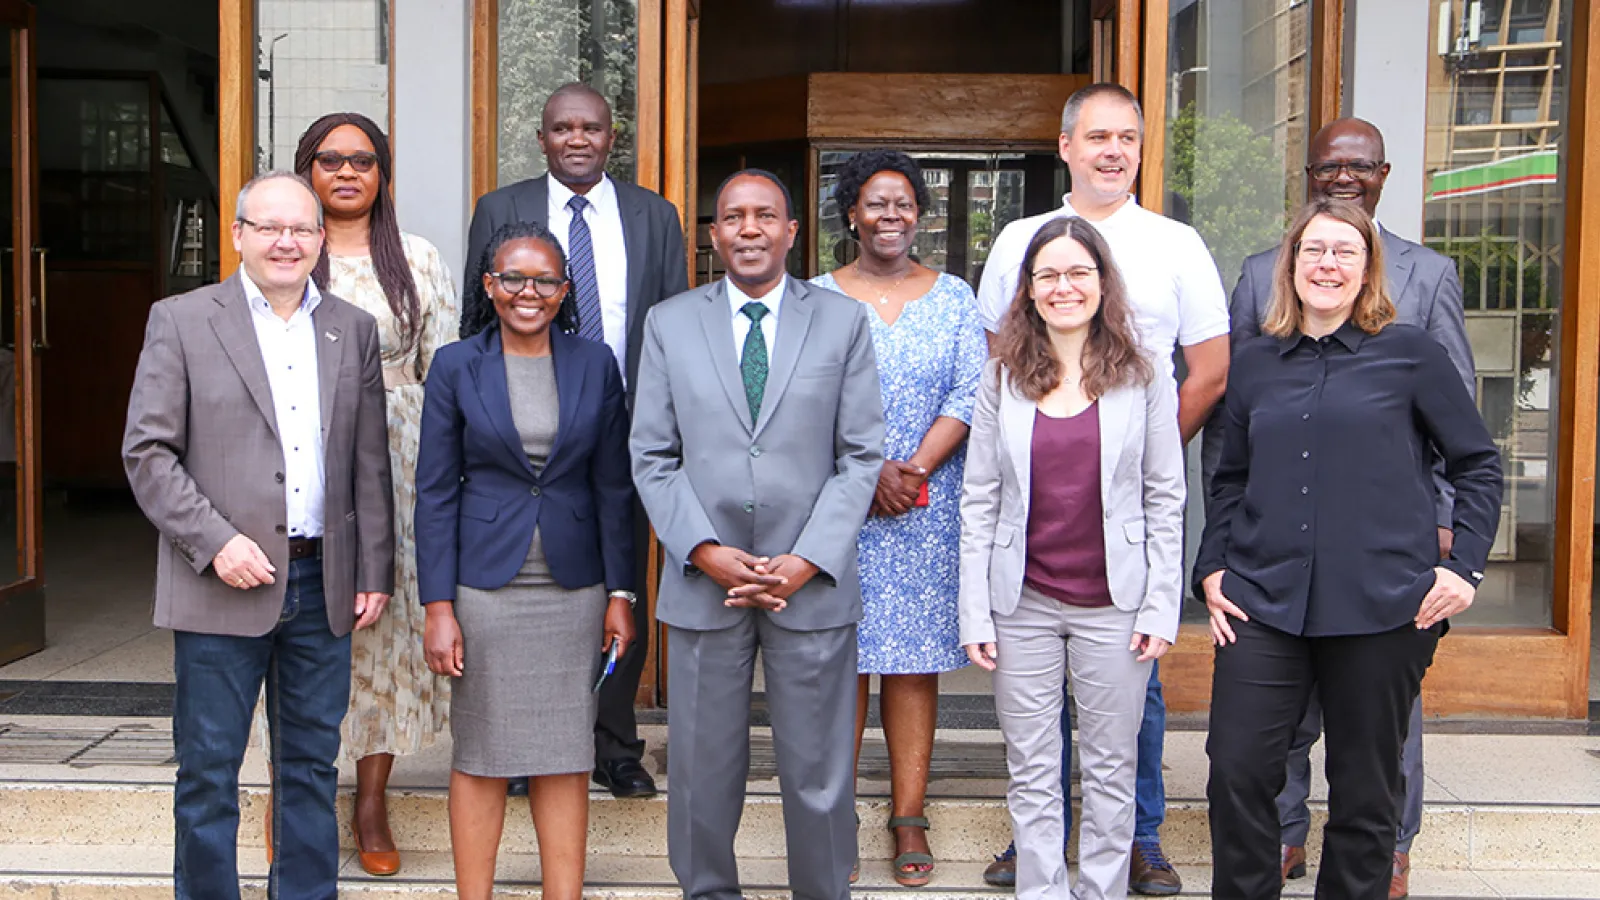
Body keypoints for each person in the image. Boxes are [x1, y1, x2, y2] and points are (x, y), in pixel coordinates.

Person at [1197, 198, 1502, 900]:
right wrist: (1212, 567)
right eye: (1313, 251)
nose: (1327, 264)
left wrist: (1465, 568)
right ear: (1291, 266)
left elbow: (1477, 463)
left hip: (1382, 607)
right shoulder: (1256, 364)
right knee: (1238, 770)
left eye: (1344, 252)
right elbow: (1232, 476)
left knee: (1365, 788)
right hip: (1263, 604)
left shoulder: (1412, 353)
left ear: (1367, 271)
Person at [974, 82, 1229, 894]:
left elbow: (1210, 373)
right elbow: (986, 469)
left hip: (1117, 573)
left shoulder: (1176, 243)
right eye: (1097, 136)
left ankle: (1129, 854)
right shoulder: (1016, 240)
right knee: (1032, 751)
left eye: (1127, 137)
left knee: (1121, 746)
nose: (1112, 150)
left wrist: (1120, 456)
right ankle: (1041, 869)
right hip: (1027, 587)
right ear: (1067, 146)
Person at [122, 171, 394, 899]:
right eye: (268, 227)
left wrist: (375, 568)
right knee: (208, 770)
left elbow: (370, 463)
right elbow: (147, 454)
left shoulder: (350, 328)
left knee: (311, 767)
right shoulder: (181, 320)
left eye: (301, 229)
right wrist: (214, 542)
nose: (286, 241)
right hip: (222, 584)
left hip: (323, 582)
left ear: (318, 242)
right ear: (237, 235)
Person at [630, 169, 884, 900]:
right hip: (705, 583)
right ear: (713, 235)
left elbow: (861, 454)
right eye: (733, 216)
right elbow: (652, 455)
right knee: (703, 773)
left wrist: (808, 558)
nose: (749, 228)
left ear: (791, 231)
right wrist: (704, 552)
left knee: (819, 773)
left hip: (809, 586)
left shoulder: (840, 322)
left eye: (765, 215)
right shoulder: (670, 323)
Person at [465, 82, 688, 798]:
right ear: (542, 138)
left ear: (610, 135)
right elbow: (479, 316)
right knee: (536, 581)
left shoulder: (655, 215)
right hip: (526, 427)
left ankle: (614, 743)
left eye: (590, 127)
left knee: (621, 578)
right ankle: (531, 744)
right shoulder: (502, 210)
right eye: (562, 127)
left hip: (626, 429)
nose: (577, 139)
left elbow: (676, 325)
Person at [959, 215, 1184, 900]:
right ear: (1028, 289)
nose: (1064, 287)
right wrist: (976, 613)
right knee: (1031, 769)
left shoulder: (1142, 374)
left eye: (1078, 272)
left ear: (1102, 282)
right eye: (1048, 275)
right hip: (1020, 603)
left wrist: (1161, 604)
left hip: (1115, 607)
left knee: (1112, 769)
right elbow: (979, 500)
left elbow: (1164, 497)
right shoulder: (1002, 376)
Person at [414, 220, 637, 900]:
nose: (528, 292)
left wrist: (622, 592)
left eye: (544, 280)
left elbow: (612, 486)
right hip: (483, 590)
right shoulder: (456, 364)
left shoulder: (594, 362)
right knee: (480, 756)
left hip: (574, 590)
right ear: (490, 284)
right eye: (513, 277)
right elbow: (432, 491)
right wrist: (438, 606)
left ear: (565, 289)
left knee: (566, 756)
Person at [284, 111, 460, 877]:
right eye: (330, 160)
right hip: (309, 458)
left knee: (385, 632)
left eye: (362, 160)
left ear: (382, 174)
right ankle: (297, 790)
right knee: (310, 624)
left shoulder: (415, 258)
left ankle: (371, 799)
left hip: (404, 459)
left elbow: (446, 373)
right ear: (307, 171)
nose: (346, 172)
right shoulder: (288, 252)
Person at [809, 150, 986, 887]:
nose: (891, 216)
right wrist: (869, 469)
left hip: (926, 503)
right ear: (851, 212)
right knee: (842, 661)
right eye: (875, 203)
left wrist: (911, 468)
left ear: (920, 214)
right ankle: (838, 813)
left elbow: (972, 391)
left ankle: (907, 814)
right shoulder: (814, 297)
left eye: (904, 204)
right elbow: (801, 398)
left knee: (911, 665)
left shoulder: (954, 298)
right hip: (838, 503)